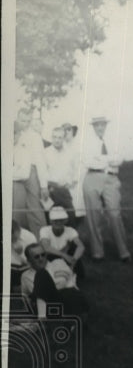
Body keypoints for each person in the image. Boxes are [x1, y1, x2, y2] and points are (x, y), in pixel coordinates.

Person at [80, 115, 131, 262]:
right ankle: (97, 253)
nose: (100, 128)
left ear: (106, 126)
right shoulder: (87, 142)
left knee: (115, 214)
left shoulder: (114, 140)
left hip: (111, 179)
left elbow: (119, 159)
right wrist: (108, 160)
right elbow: (88, 162)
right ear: (93, 127)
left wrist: (100, 159)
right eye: (97, 125)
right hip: (92, 178)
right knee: (94, 216)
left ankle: (124, 251)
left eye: (102, 125)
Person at [20, 243, 89, 321]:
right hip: (50, 306)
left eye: (43, 255)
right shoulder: (25, 276)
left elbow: (66, 284)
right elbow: (26, 298)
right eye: (36, 257)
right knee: (41, 274)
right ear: (29, 260)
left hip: (70, 298)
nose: (41, 258)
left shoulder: (58, 263)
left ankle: (44, 321)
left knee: (69, 292)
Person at [12, 108, 50, 236]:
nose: (26, 124)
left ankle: (42, 242)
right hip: (14, 175)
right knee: (16, 210)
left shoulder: (35, 136)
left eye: (29, 121)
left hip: (31, 174)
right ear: (17, 118)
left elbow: (40, 162)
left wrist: (44, 186)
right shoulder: (11, 132)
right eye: (23, 120)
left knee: (36, 210)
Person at [45, 126, 80, 223]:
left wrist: (73, 181)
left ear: (64, 138)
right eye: (54, 137)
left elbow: (76, 168)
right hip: (51, 190)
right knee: (51, 218)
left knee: (71, 216)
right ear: (51, 138)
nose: (57, 140)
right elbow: (43, 172)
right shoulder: (46, 152)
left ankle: (71, 236)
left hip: (65, 190)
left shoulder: (70, 152)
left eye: (60, 137)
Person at [39, 206, 85, 279]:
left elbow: (81, 246)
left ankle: (71, 270)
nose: (58, 222)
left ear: (65, 221)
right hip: (51, 256)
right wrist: (63, 255)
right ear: (50, 221)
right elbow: (46, 247)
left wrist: (74, 260)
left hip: (67, 256)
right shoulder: (44, 230)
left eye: (61, 220)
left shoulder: (70, 230)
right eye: (55, 220)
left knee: (80, 276)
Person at [10, 220, 38, 289]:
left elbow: (35, 261)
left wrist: (20, 254)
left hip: (27, 268)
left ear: (19, 230)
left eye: (14, 237)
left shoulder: (29, 236)